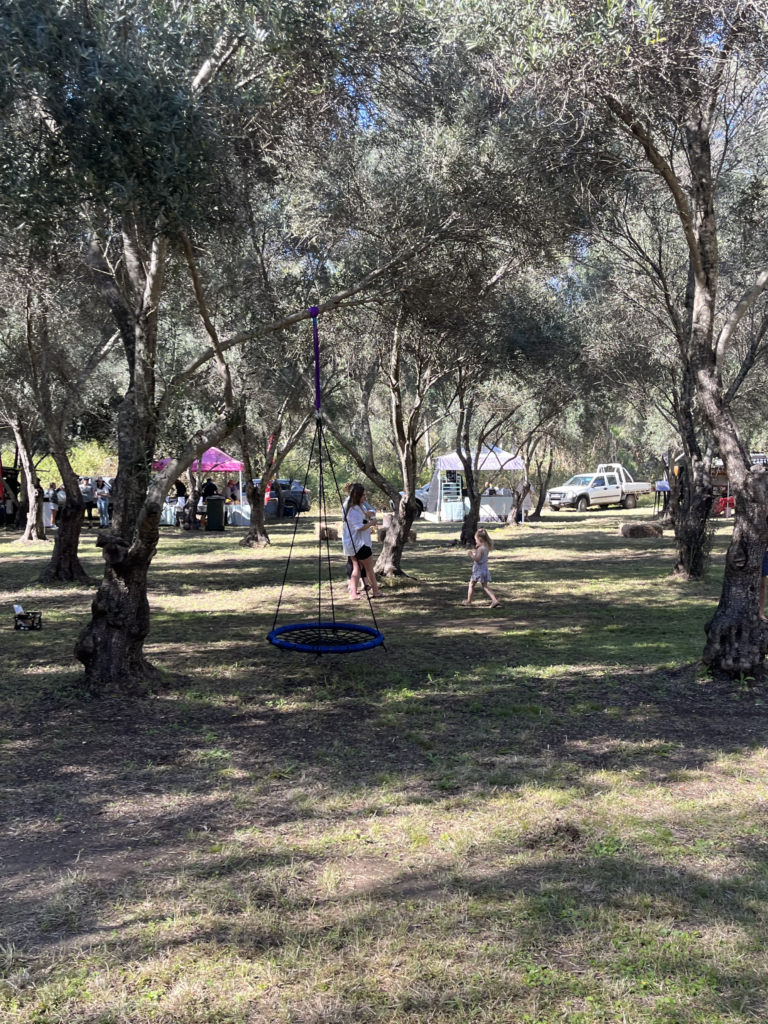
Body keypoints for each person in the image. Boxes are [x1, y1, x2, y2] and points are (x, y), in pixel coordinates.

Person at [342, 483, 383, 600]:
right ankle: (376, 591)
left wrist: (367, 515)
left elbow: (363, 516)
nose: (365, 497)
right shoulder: (353, 510)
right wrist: (371, 524)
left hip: (355, 544)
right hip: (360, 544)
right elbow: (359, 527)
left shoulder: (356, 507)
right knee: (369, 569)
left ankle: (353, 593)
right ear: (357, 496)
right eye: (363, 495)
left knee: (357, 568)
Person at [463, 528, 500, 608]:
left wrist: (471, 555)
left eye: (476, 539)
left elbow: (477, 559)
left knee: (471, 585)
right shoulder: (486, 547)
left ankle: (468, 601)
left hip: (478, 570)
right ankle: (494, 600)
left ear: (479, 539)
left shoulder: (480, 549)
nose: (475, 541)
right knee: (485, 586)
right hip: (484, 568)